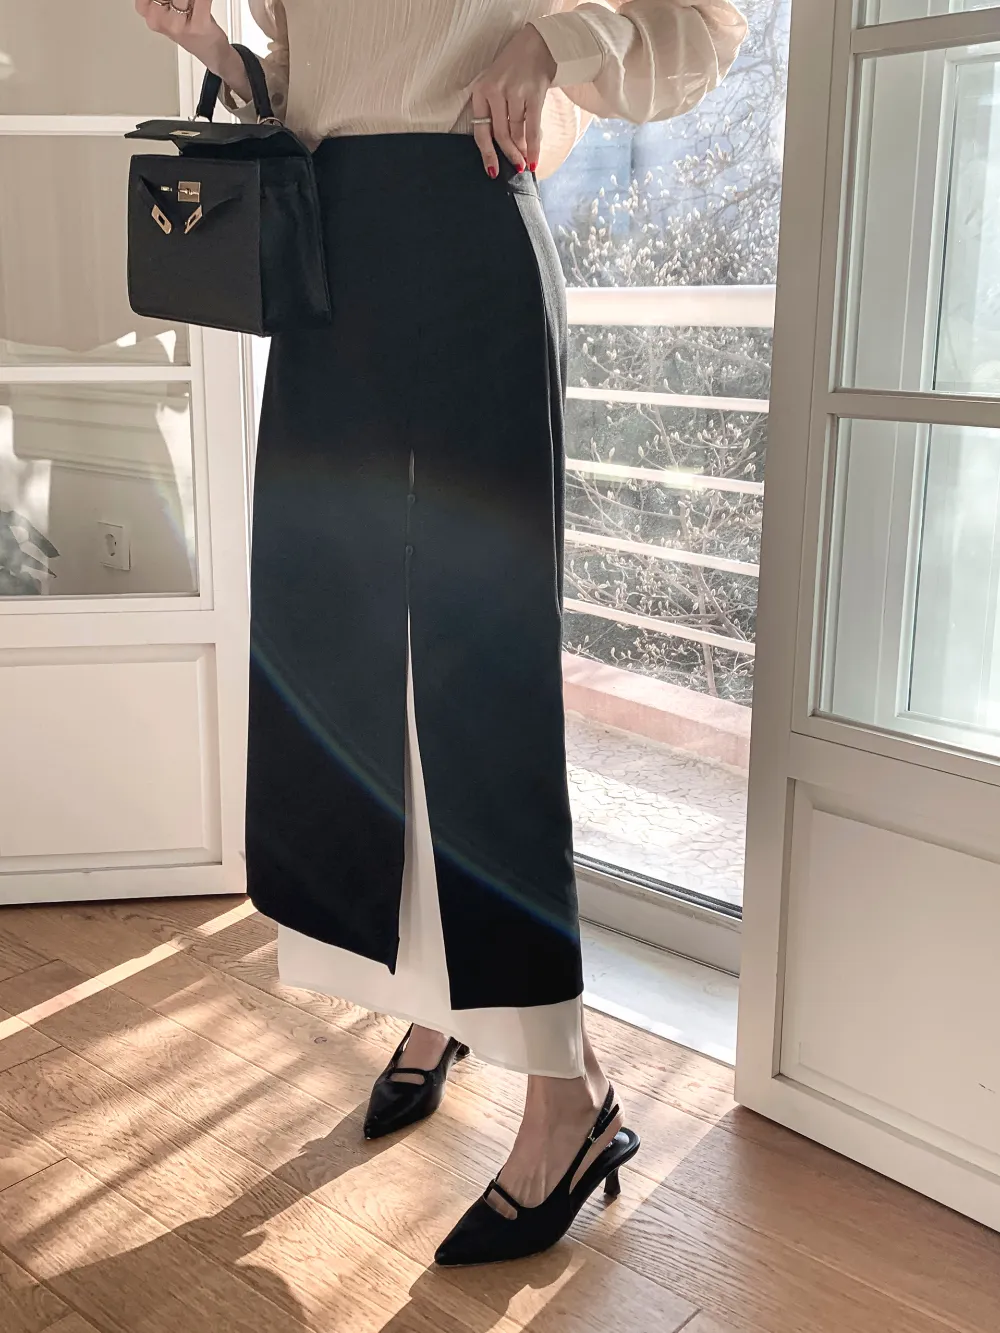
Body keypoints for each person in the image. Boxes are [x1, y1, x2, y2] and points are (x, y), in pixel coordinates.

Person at [135, 0, 747, 1266]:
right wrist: (217, 52)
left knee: (477, 674)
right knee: (331, 649)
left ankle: (566, 1100)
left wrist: (559, 42)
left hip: (467, 235)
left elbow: (701, 22)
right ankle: (434, 1003)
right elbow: (317, 87)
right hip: (326, 263)